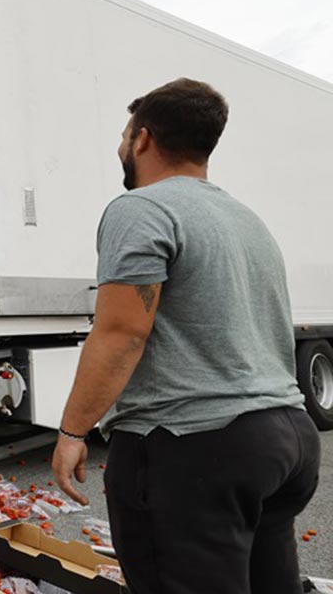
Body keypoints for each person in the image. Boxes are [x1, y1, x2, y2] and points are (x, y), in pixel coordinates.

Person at [51, 79, 320, 594]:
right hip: (287, 438)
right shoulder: (246, 219)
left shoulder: (141, 208)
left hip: (193, 447)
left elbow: (122, 332)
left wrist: (71, 432)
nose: (120, 146)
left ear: (144, 139)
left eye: (124, 134)